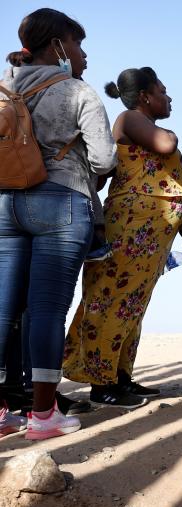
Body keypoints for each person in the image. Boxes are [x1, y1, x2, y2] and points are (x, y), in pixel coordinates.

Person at [0, 8, 116, 439]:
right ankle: (44, 416)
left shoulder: (4, 85)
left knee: (3, 307)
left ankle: (1, 414)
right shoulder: (77, 91)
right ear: (59, 46)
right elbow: (104, 159)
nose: (83, 55)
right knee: (47, 309)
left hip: (5, 202)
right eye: (79, 45)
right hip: (61, 203)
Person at [63, 66, 182, 409]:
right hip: (131, 230)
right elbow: (167, 143)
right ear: (146, 96)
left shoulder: (136, 121)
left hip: (145, 234)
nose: (169, 97)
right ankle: (100, 382)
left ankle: (119, 376)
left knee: (131, 303)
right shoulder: (131, 118)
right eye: (163, 91)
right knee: (113, 300)